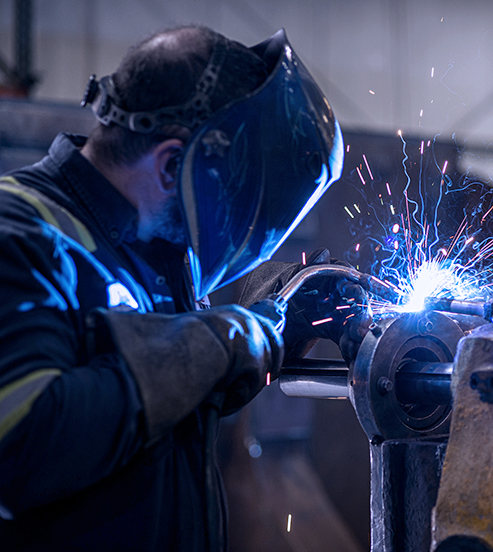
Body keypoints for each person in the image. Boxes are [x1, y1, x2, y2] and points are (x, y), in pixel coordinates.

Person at [0, 25, 364, 551]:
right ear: (173, 165)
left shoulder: (155, 250)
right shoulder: (21, 233)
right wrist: (226, 337)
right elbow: (22, 442)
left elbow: (162, 400)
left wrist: (282, 325)